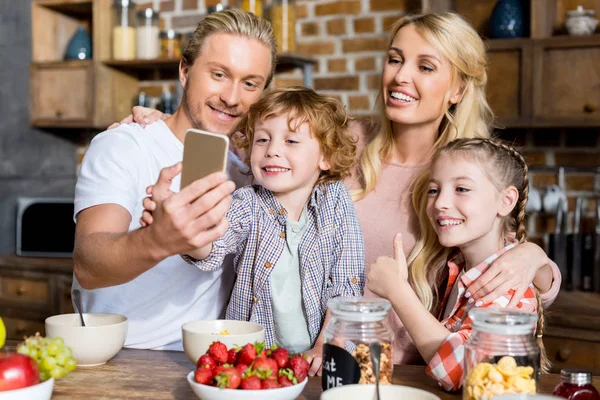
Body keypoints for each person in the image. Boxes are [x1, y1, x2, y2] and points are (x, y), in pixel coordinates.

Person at [119, 11, 561, 365]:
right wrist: (166, 126)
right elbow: (250, 135)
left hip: (415, 366)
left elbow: (510, 281)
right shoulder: (341, 139)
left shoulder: (466, 172)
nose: (400, 77)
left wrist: (535, 256)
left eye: (425, 66)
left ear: (459, 87)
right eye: (394, 59)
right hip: (318, 364)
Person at [72, 9, 277, 350]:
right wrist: (158, 240)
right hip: (123, 358)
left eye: (250, 83)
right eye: (219, 74)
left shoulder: (248, 170)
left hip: (212, 360)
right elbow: (88, 266)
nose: (231, 97)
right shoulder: (124, 144)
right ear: (185, 71)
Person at [142, 86, 365, 375]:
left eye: (291, 141)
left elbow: (347, 283)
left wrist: (328, 345)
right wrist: (184, 230)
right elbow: (212, 246)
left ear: (325, 158)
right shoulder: (248, 203)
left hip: (320, 359)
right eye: (262, 139)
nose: (272, 150)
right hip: (256, 363)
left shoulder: (334, 200)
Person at [367, 138, 550, 391]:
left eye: (462, 189)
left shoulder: (507, 286)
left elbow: (463, 373)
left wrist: (398, 291)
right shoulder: (459, 265)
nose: (440, 202)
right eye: (434, 190)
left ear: (506, 201)